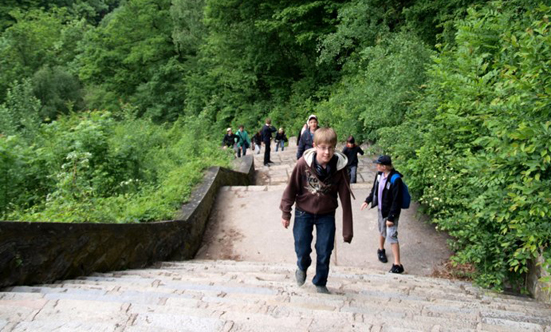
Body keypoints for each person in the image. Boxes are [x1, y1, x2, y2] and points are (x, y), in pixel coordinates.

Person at [280, 127, 353, 294]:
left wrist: (347, 231)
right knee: (302, 246)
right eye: (322, 147)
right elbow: (291, 189)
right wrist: (286, 212)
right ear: (315, 146)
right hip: (303, 212)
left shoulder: (340, 169)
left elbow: (345, 200)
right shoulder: (302, 165)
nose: (326, 152)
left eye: (330, 147)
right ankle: (302, 266)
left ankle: (320, 281)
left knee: (324, 249)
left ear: (335, 147)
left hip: (326, 214)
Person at [360, 155, 405, 274]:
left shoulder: (395, 179)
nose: (376, 166)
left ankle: (397, 264)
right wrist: (367, 200)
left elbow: (397, 200)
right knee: (382, 230)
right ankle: (381, 249)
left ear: (384, 167)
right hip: (381, 209)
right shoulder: (380, 175)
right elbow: (374, 190)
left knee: (392, 235)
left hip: (390, 213)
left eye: (378, 164)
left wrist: (391, 218)